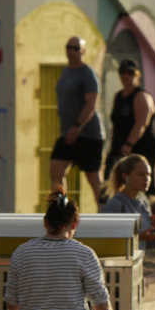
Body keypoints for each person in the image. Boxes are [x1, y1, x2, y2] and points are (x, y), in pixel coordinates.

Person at [50, 37, 105, 205]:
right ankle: (61, 210)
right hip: (67, 133)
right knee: (56, 170)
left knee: (93, 178)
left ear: (82, 51)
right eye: (68, 47)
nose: (70, 51)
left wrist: (77, 127)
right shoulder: (66, 72)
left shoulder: (87, 74)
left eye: (75, 48)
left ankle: (106, 214)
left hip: (88, 134)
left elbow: (91, 103)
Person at [104, 58, 155, 194]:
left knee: (143, 185)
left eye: (130, 72)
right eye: (122, 72)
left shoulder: (142, 96)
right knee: (110, 180)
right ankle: (111, 212)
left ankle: (152, 212)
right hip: (119, 146)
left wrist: (128, 144)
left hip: (140, 147)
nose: (125, 76)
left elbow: (141, 124)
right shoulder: (118, 97)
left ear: (137, 75)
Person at [100, 154, 155, 250]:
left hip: (137, 262)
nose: (147, 179)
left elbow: (150, 245)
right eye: (141, 174)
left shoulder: (143, 202)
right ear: (125, 176)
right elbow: (106, 242)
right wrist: (139, 238)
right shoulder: (115, 205)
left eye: (149, 175)